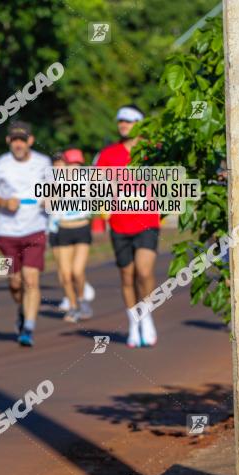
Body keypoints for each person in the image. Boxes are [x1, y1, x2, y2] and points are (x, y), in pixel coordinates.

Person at [0, 121, 52, 347]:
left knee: (31, 279)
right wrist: (3, 201)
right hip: (6, 233)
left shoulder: (44, 162)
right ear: (8, 142)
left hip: (35, 229)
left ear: (30, 140)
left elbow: (55, 190)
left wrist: (50, 199)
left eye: (23, 140)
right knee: (13, 281)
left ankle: (28, 327)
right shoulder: (0, 164)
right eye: (15, 140)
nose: (19, 144)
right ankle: (22, 312)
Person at [96, 104, 159, 347]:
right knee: (127, 274)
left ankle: (148, 316)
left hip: (147, 222)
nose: (123, 124)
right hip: (119, 224)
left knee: (144, 272)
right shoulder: (108, 154)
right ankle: (134, 322)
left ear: (139, 124)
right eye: (120, 120)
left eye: (128, 120)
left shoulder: (153, 151)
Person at [47, 148, 93, 322]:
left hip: (81, 228)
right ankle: (73, 306)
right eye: (70, 164)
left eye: (77, 165)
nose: (73, 168)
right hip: (62, 229)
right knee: (65, 274)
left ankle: (82, 300)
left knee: (77, 271)